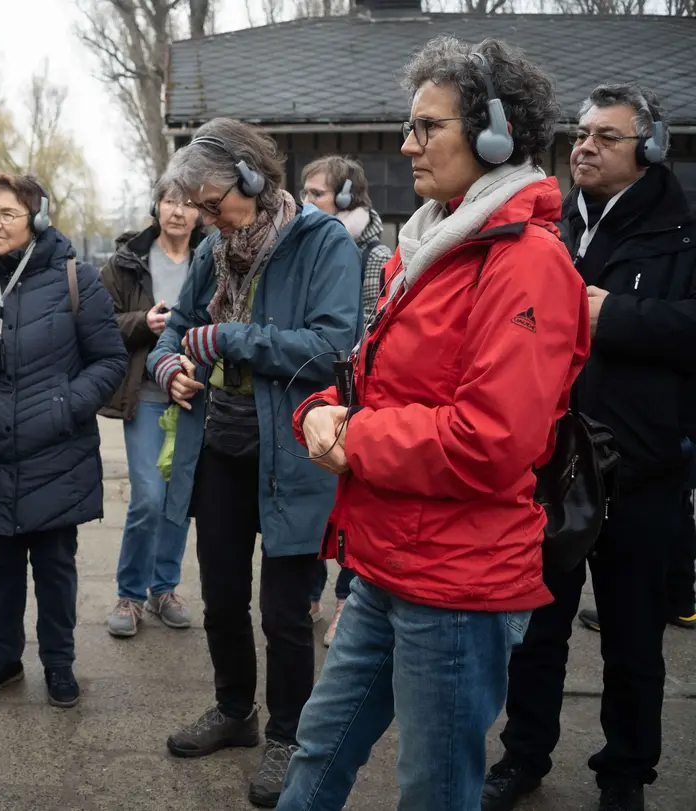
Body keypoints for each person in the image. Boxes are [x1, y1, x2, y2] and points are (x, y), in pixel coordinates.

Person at [277, 37, 589, 811]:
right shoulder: (429, 246)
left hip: (458, 584)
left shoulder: (527, 264)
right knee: (318, 748)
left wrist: (352, 442)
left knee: (434, 788)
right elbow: (373, 380)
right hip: (388, 560)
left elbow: (491, 441)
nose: (406, 144)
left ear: (493, 133)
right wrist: (320, 411)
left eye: (425, 126)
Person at [483, 83, 696, 811]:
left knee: (634, 642)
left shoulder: (683, 231)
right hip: (551, 468)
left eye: (607, 136)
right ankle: (524, 754)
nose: (585, 146)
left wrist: (619, 317)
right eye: (581, 133)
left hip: (642, 473)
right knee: (537, 629)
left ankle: (625, 772)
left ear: (650, 150)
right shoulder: (547, 226)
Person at [147, 117, 361, 808]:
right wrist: (173, 366)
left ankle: (290, 737)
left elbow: (332, 344)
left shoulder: (322, 241)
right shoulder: (214, 252)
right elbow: (177, 333)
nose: (209, 220)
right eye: (202, 210)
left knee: (285, 613)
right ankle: (235, 710)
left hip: (294, 454)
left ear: (250, 176)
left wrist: (230, 338)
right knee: (221, 599)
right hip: (221, 451)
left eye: (215, 204)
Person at [0, 173, 127, 710]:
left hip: (54, 450)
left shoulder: (75, 278)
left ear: (35, 221)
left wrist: (66, 405)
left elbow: (109, 360)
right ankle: (3, 657)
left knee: (56, 566)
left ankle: (59, 664)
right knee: (1, 565)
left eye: (6, 213)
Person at [99, 178, 204, 638]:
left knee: (178, 501)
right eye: (169, 201)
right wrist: (145, 322)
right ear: (155, 207)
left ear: (201, 211)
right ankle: (130, 592)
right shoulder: (127, 261)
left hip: (194, 395)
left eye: (187, 203)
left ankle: (165, 588)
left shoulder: (214, 258)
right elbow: (98, 322)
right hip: (143, 393)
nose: (177, 211)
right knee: (147, 499)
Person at [298, 155, 395, 646]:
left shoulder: (376, 257)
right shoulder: (305, 248)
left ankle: (345, 603)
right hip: (319, 390)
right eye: (305, 192)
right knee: (318, 506)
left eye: (316, 193)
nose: (305, 202)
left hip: (358, 398)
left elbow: (374, 331)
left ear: (343, 197)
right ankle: (310, 594)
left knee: (350, 508)